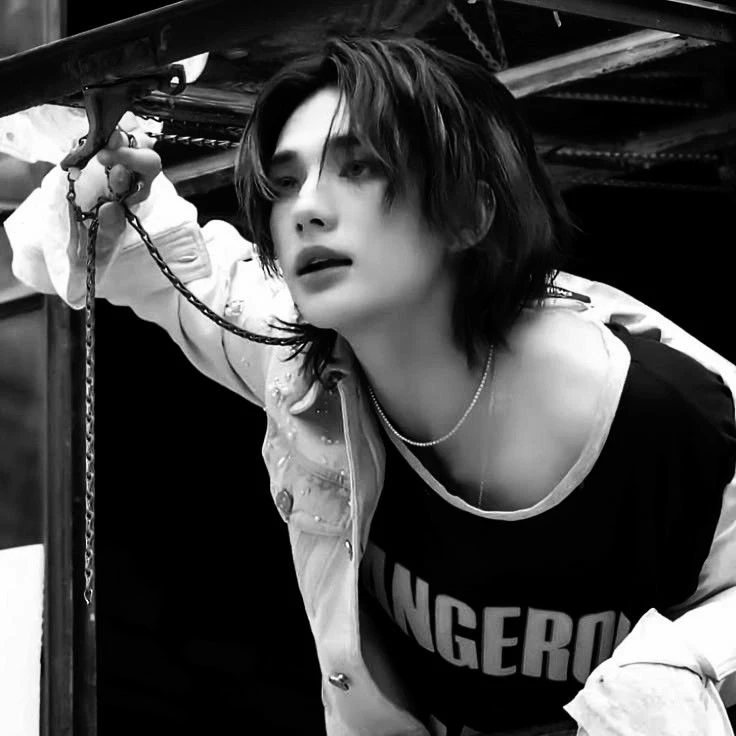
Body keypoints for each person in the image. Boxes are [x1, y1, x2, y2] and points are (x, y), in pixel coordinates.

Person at [5, 35, 736, 736]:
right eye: (285, 182)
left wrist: (684, 662)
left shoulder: (665, 411)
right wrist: (106, 181)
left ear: (470, 211)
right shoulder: (301, 365)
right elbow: (171, 270)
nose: (306, 208)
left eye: (359, 168)